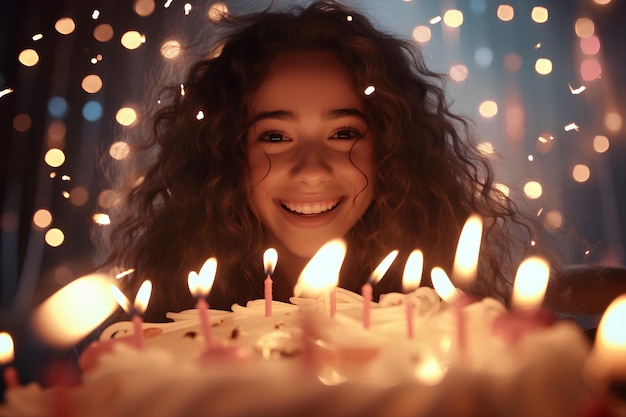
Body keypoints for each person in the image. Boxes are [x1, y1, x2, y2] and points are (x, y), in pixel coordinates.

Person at [96, 0, 556, 322]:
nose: (312, 168)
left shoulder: (457, 323)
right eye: (275, 136)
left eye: (344, 134)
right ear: (226, 155)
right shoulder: (160, 335)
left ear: (391, 151)